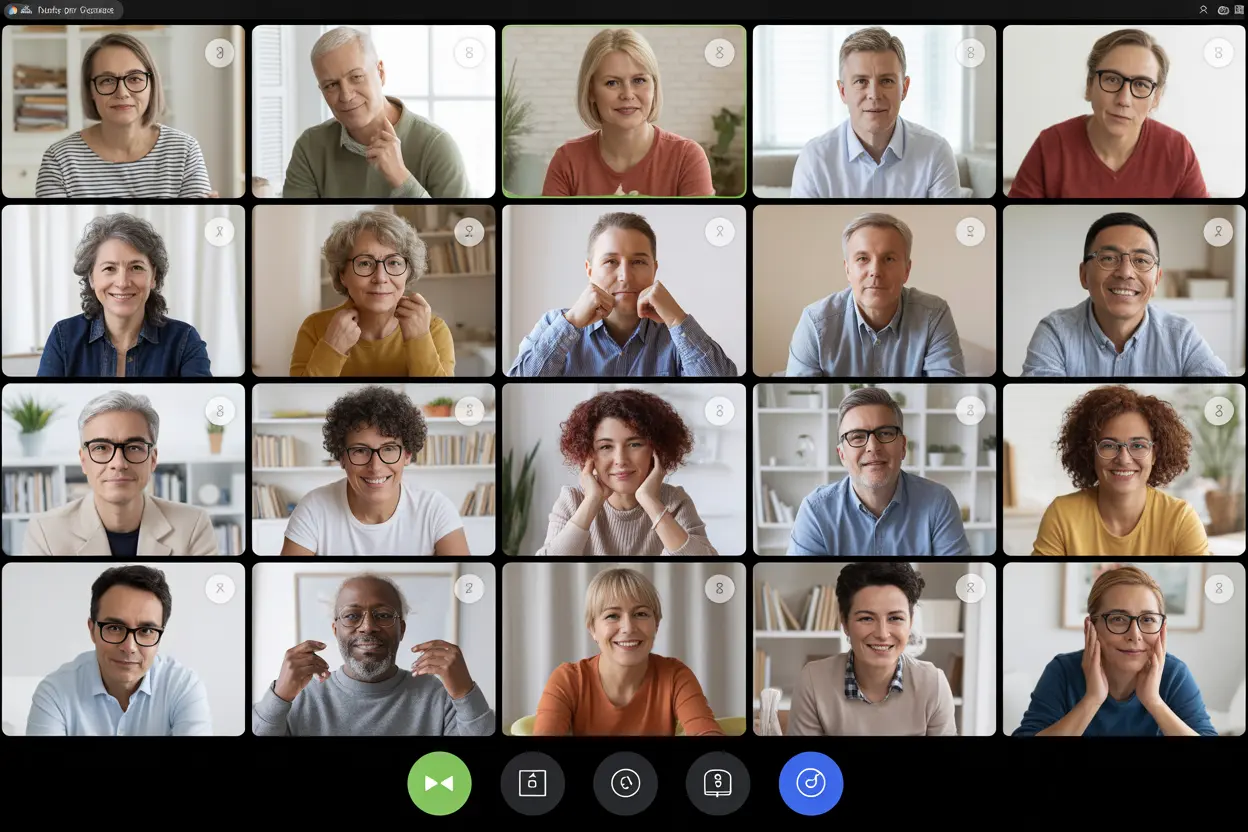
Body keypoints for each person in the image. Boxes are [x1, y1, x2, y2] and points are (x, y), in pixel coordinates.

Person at [252, 573, 493, 736]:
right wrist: (278, 696)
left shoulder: (437, 696)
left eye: (384, 615)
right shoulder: (298, 698)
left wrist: (465, 692)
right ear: (335, 631)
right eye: (352, 615)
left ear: (402, 629)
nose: (368, 626)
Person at [509, 212, 737, 376]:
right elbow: (518, 381)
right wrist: (570, 324)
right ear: (589, 270)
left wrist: (678, 319)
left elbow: (724, 380)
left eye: (638, 261)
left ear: (654, 269)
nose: (625, 276)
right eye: (610, 262)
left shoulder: (677, 335)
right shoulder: (553, 323)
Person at [1014, 566, 1216, 736]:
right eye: (1118, 619)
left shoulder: (1174, 674)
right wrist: (1092, 699)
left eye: (1147, 620)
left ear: (1162, 629)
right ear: (1091, 627)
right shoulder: (1063, 671)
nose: (1134, 635)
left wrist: (1154, 702)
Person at [1022, 212, 1228, 377]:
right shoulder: (1055, 333)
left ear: (1156, 280)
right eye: (1109, 258)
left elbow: (1221, 395)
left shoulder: (1181, 336)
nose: (1126, 273)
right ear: (1084, 274)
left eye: (1141, 260)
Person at [1010, 29, 1207, 199]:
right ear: (1089, 86)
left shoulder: (1177, 151)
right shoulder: (1051, 144)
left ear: (1155, 98)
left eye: (1140, 85)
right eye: (1112, 79)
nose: (1124, 99)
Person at [279, 386, 471, 556]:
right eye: (360, 451)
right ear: (342, 458)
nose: (375, 467)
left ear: (407, 455)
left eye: (388, 449)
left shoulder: (435, 509)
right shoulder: (314, 508)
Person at [21, 392, 218, 556]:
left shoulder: (193, 525)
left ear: (153, 459)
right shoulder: (45, 532)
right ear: (83, 461)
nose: (118, 463)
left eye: (133, 447)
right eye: (100, 447)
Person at [283, 27, 470, 198]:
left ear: (380, 73)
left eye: (356, 77)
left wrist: (402, 179)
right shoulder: (309, 147)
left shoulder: (437, 146)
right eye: (331, 85)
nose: (346, 96)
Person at [533, 568, 724, 735]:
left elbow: (705, 732)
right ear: (592, 629)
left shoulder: (675, 675)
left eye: (640, 614)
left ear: (656, 624)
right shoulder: (568, 679)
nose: (628, 628)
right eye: (612, 616)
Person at [26, 566, 212, 736]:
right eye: (115, 628)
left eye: (146, 631)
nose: (129, 647)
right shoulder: (54, 692)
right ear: (92, 630)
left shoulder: (183, 687)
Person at [789, 387, 971, 556]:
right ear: (842, 455)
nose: (873, 447)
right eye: (857, 436)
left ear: (903, 446)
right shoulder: (815, 511)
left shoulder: (938, 503)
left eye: (885, 433)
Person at [536, 389, 718, 556]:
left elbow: (704, 564)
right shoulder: (572, 501)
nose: (621, 459)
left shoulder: (675, 501)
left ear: (656, 451)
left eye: (634, 444)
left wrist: (649, 500)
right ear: (589, 455)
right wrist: (592, 502)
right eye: (606, 446)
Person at [1032, 386, 1210, 555]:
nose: (1124, 459)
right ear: (1089, 452)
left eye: (1138, 445)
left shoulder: (1180, 519)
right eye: (1109, 445)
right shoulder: (1062, 515)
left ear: (1155, 454)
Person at [36, 33, 214, 199]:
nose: (122, 93)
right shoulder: (59, 159)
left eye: (134, 79)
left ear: (152, 85)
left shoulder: (185, 151)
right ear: (90, 90)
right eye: (107, 80)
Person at [788, 562, 957, 736]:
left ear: (910, 623)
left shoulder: (933, 684)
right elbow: (808, 761)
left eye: (895, 618)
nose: (882, 634)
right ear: (845, 623)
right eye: (867, 618)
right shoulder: (813, 681)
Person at [785, 212, 965, 376]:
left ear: (906, 270)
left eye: (889, 259)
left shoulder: (934, 315)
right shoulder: (815, 322)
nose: (876, 271)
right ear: (848, 270)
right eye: (863, 259)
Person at [791, 27, 962, 199]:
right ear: (843, 92)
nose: (874, 94)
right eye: (861, 81)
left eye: (886, 81)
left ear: (905, 88)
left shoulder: (936, 153)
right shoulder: (814, 159)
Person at [541, 28, 714, 197]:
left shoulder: (687, 157)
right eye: (612, 83)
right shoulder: (567, 161)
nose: (627, 95)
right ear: (591, 91)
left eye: (639, 80)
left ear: (654, 86)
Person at [37, 213, 212, 378]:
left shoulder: (184, 340)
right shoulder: (63, 337)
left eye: (136, 267)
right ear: (91, 278)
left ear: (154, 277)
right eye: (109, 268)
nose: (122, 283)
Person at [290, 210, 454, 376]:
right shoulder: (315, 328)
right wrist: (332, 348)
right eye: (365, 263)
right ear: (342, 274)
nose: (381, 277)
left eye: (394, 262)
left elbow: (435, 399)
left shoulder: (434, 330)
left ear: (408, 272)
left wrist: (419, 340)